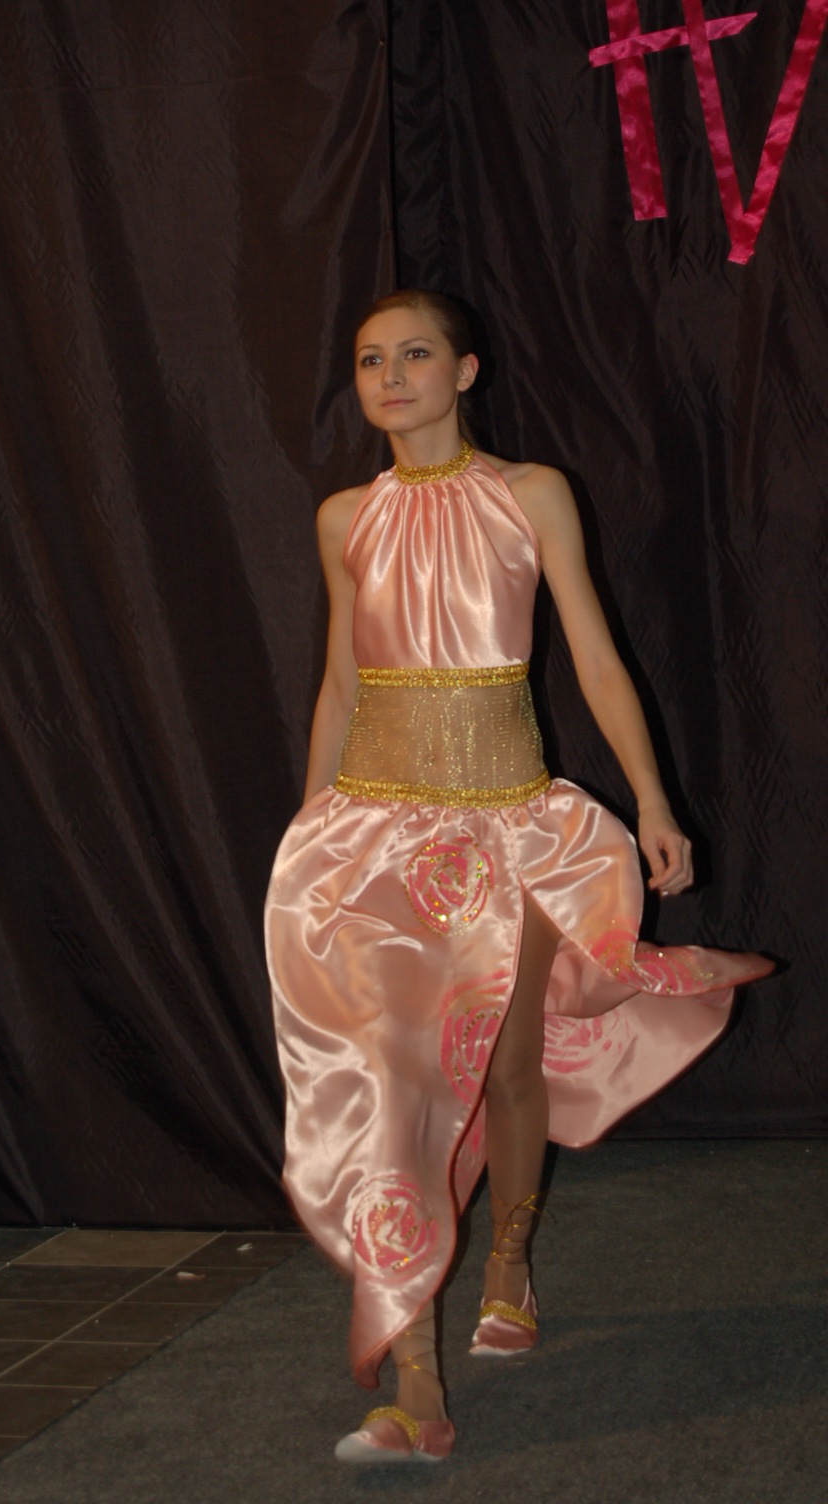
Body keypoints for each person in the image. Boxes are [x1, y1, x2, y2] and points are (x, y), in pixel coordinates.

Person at [264, 289, 771, 1463]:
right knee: (389, 1087)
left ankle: (507, 1261)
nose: (391, 376)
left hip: (513, 833)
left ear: (465, 370)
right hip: (373, 840)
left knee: (501, 1066)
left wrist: (650, 797)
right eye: (370, 360)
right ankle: (417, 1382)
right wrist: (310, 827)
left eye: (415, 354)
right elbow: (340, 682)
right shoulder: (345, 517)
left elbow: (594, 654)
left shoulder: (529, 493)